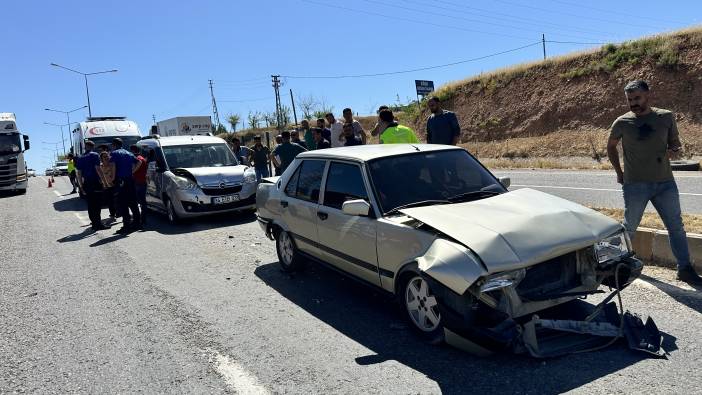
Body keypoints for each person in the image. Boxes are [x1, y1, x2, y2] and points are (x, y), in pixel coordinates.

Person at [607, 80, 702, 286]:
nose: (633, 103)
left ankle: (684, 269)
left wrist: (674, 150)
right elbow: (611, 146)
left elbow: (675, 144)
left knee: (676, 227)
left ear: (648, 95)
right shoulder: (622, 122)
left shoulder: (665, 117)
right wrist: (619, 172)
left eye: (637, 98)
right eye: (630, 100)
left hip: (665, 183)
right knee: (629, 227)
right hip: (635, 185)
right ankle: (613, 267)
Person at [109, 138, 141, 234]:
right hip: (130, 180)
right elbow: (139, 162)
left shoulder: (114, 153)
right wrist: (133, 171)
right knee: (133, 203)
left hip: (120, 181)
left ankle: (126, 226)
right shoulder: (129, 153)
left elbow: (113, 166)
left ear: (114, 145)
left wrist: (112, 178)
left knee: (123, 204)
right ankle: (137, 224)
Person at [75, 140, 108, 230]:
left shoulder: (81, 157)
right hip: (95, 182)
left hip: (87, 183)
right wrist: (104, 182)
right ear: (93, 147)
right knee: (97, 204)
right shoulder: (94, 155)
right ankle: (98, 224)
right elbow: (98, 169)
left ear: (85, 147)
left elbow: (79, 173)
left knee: (90, 204)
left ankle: (94, 223)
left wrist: (81, 186)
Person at [130, 145, 148, 226]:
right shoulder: (143, 158)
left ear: (132, 151)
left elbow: (133, 168)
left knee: (135, 202)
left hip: (137, 182)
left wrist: (132, 172)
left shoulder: (136, 159)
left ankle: (138, 219)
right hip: (143, 181)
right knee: (142, 202)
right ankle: (143, 218)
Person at [97, 150, 117, 219]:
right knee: (109, 201)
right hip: (105, 186)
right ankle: (112, 214)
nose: (106, 158)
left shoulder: (112, 164)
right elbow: (99, 176)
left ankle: (117, 212)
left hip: (114, 185)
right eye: (104, 157)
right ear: (101, 158)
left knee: (116, 200)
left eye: (107, 156)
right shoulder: (100, 166)